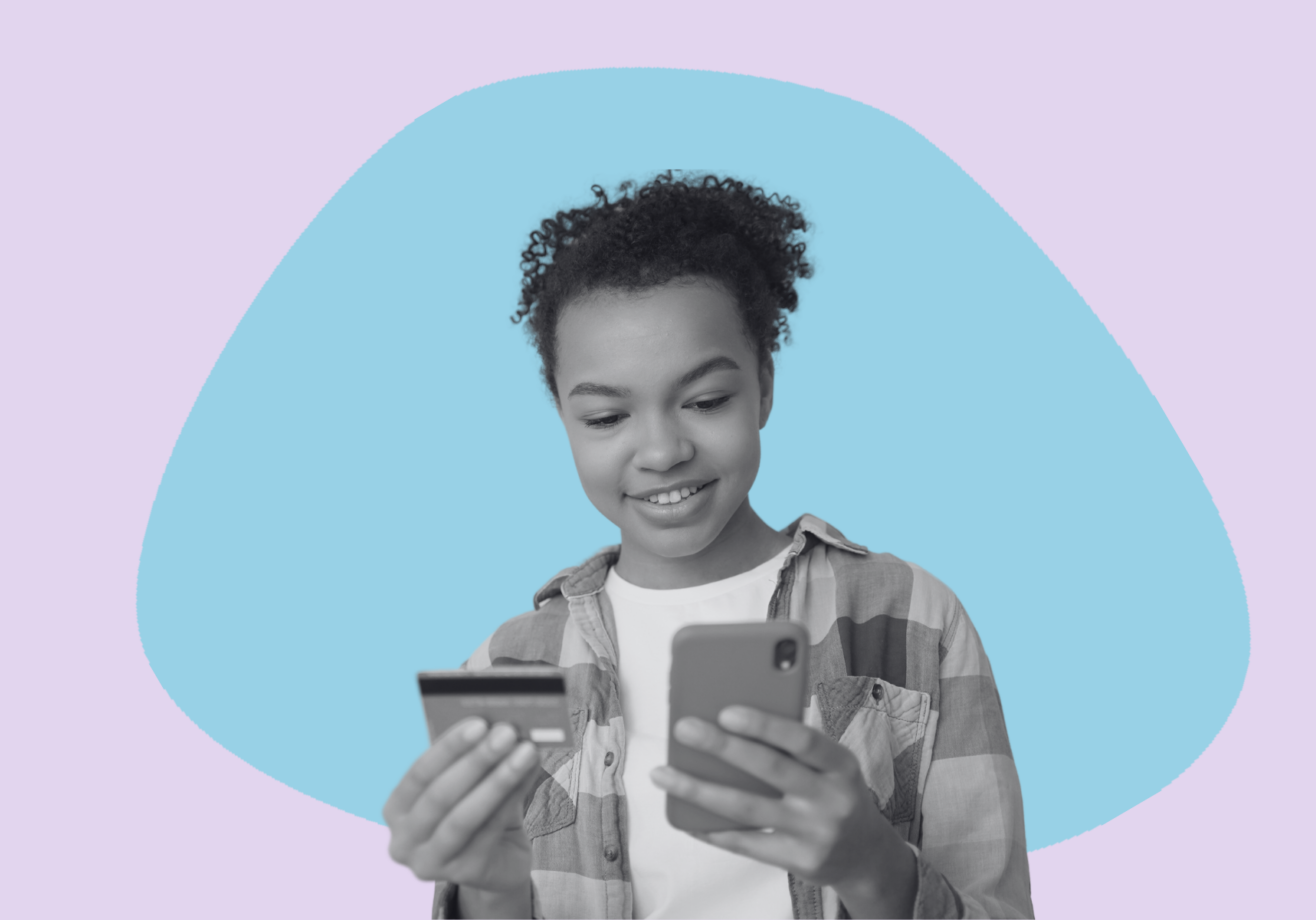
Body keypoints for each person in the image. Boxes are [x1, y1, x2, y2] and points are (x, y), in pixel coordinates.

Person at [383, 172, 1032, 919]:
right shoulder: (510, 665)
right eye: (605, 418)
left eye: (705, 402)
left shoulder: (908, 618)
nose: (660, 451)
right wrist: (491, 891)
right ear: (562, 414)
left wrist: (873, 865)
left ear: (763, 382)